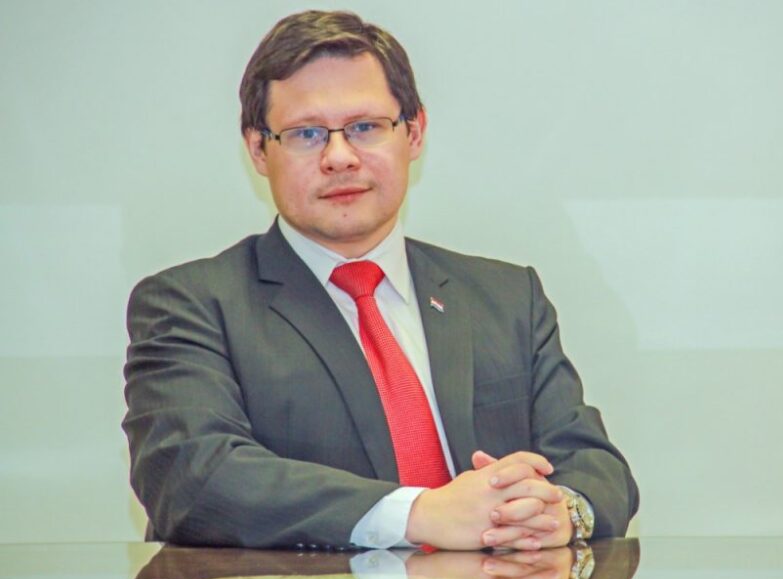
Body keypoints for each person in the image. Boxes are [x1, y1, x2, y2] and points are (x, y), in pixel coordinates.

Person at [122, 9, 638, 551]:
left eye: (365, 127)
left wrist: (560, 511)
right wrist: (418, 514)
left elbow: (594, 465)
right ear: (258, 149)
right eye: (305, 134)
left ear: (413, 133)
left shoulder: (508, 297)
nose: (339, 157)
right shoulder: (191, 304)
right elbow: (191, 476)